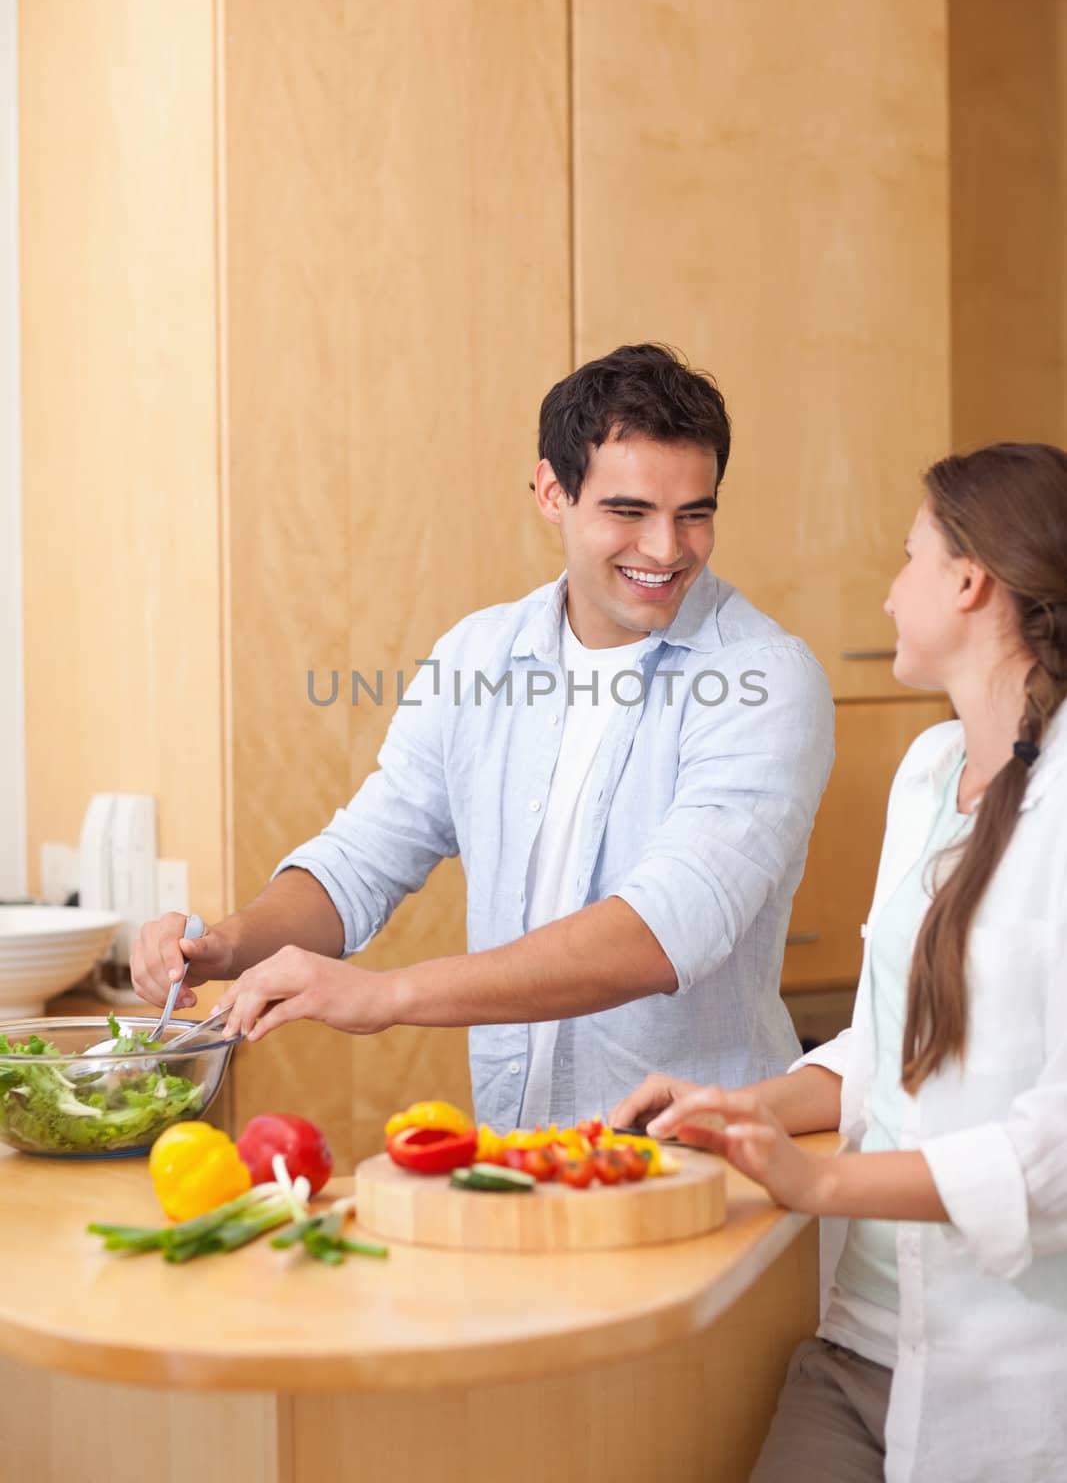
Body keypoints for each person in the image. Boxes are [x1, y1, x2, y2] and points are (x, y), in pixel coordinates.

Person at [131, 344, 833, 1129]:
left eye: (693, 514)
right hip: (521, 1155)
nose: (667, 550)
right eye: (628, 512)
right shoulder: (478, 657)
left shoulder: (765, 678)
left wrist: (389, 994)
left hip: (702, 1164)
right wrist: (228, 946)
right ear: (551, 492)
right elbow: (362, 858)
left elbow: (664, 932)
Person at [610, 442, 1067, 1483]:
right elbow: (893, 1034)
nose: (885, 591)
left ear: (968, 581)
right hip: (860, 1338)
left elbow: (1052, 1154)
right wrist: (750, 1106)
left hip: (1008, 1378)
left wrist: (818, 1181)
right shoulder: (925, 773)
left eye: (907, 560)